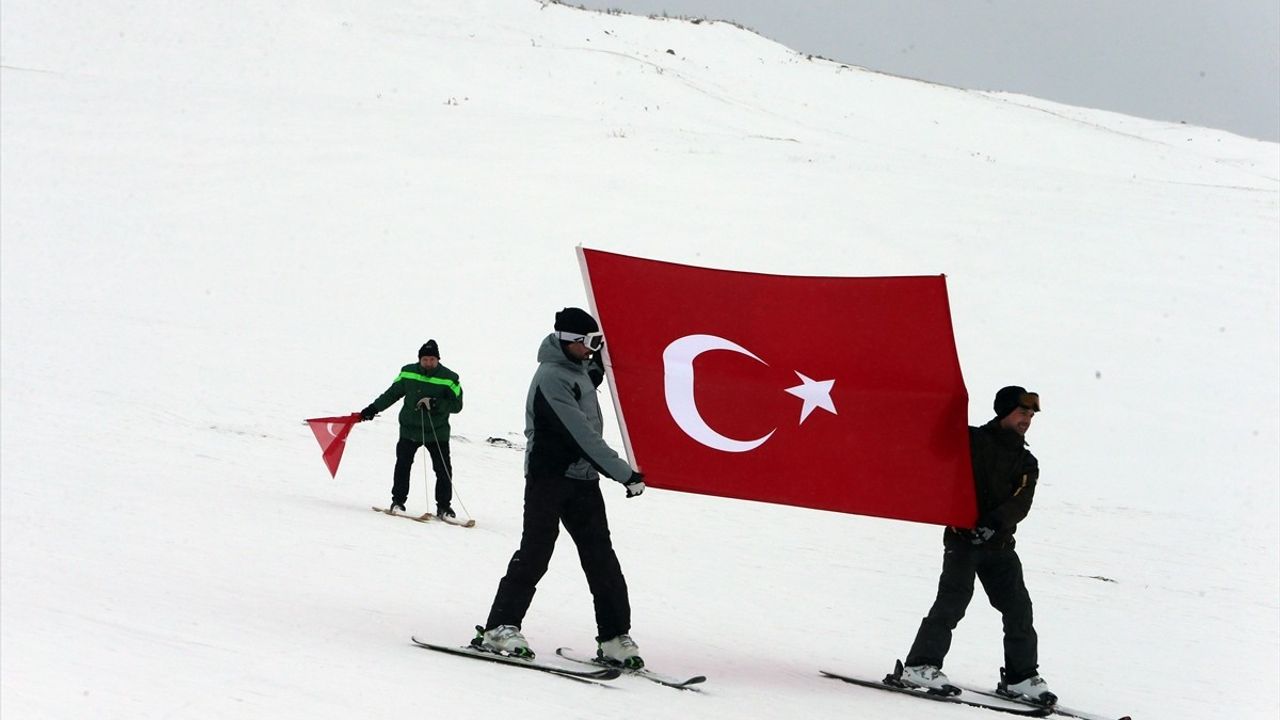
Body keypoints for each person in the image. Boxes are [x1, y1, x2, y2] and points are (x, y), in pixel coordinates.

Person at [473, 307, 647, 668]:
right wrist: (624, 473)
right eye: (589, 343)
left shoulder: (579, 370)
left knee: (601, 559)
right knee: (536, 551)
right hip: (549, 478)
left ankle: (614, 637)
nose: (593, 350)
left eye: (597, 343)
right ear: (569, 342)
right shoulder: (551, 377)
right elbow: (580, 434)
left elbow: (590, 377)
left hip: (582, 481)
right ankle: (499, 627)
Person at [894, 385, 1056, 705]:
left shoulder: (1026, 461)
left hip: (999, 545)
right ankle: (919, 666)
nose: (1027, 419)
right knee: (953, 602)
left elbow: (1020, 503)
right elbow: (935, 453)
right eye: (1022, 412)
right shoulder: (970, 441)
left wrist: (992, 525)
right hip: (962, 539)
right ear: (1005, 411)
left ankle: (1021, 677)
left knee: (1018, 608)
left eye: (1031, 415)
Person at [358, 339, 463, 519]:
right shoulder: (408, 372)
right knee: (403, 466)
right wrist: (373, 409)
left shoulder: (450, 378)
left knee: (443, 470)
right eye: (425, 359)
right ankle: (398, 502)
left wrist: (435, 403)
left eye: (431, 359)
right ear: (419, 359)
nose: (428, 363)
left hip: (437, 432)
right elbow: (392, 394)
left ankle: (444, 507)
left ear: (438, 359)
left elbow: (457, 405)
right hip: (409, 430)